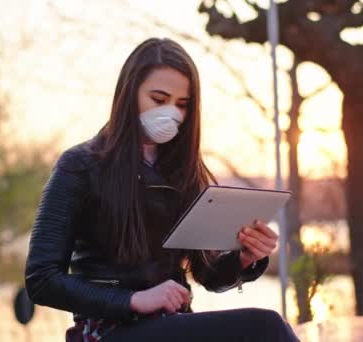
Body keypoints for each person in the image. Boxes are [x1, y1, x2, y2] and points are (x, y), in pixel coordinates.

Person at [24, 37, 299, 342]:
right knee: (265, 328)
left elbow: (207, 274)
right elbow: (42, 279)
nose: (172, 113)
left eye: (182, 104)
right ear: (129, 94)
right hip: (107, 329)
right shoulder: (80, 165)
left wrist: (244, 258)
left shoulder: (184, 171)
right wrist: (134, 300)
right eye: (158, 99)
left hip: (173, 325)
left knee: (270, 328)